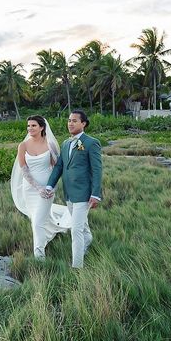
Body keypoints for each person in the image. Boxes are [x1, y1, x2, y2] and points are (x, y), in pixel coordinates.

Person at [45, 110, 102, 268]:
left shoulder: (91, 142)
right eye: (69, 120)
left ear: (83, 123)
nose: (70, 123)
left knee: (75, 230)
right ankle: (88, 240)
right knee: (82, 227)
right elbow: (59, 167)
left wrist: (96, 194)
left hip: (84, 194)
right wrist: (50, 185)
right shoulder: (66, 143)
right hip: (69, 193)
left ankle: (77, 267)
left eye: (74, 121)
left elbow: (97, 170)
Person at [11, 116, 71, 259]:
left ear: (42, 127)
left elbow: (57, 167)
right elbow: (24, 169)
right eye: (28, 126)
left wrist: (51, 187)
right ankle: (51, 233)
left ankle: (39, 257)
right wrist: (37, 187)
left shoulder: (50, 144)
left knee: (37, 222)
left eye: (33, 125)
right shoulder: (23, 146)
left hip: (47, 188)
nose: (30, 128)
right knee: (36, 220)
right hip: (30, 188)